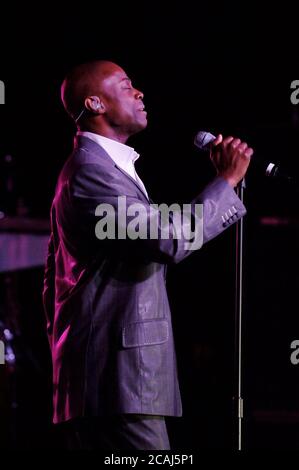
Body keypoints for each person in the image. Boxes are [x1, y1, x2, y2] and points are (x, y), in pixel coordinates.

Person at [43, 60, 253, 450]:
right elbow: (168, 239)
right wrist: (226, 182)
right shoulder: (90, 172)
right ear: (95, 103)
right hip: (115, 379)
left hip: (113, 378)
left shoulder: (105, 168)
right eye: (125, 86)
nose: (139, 92)